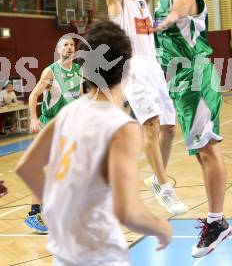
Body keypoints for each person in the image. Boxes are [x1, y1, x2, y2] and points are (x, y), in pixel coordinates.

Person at [16, 20, 172, 265]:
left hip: (65, 253)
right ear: (127, 68)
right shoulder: (123, 127)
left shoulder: (68, 113)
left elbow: (26, 168)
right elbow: (126, 211)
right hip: (101, 254)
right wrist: (161, 227)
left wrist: (57, 209)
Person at [123, 0, 232, 258]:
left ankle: (216, 222)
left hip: (195, 78)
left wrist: (167, 20)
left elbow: (182, 6)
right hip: (181, 81)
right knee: (203, 150)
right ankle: (215, 220)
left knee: (207, 149)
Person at [106, 0, 187, 215]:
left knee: (169, 128)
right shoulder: (117, 4)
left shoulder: (141, 1)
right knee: (150, 124)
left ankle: (157, 178)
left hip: (153, 65)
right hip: (131, 67)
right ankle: (166, 188)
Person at [24, 36, 82, 233]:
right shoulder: (51, 71)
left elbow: (80, 99)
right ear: (58, 50)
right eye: (65, 45)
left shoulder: (78, 70)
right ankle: (33, 214)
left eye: (72, 45)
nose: (69, 47)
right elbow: (33, 96)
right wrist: (33, 119)